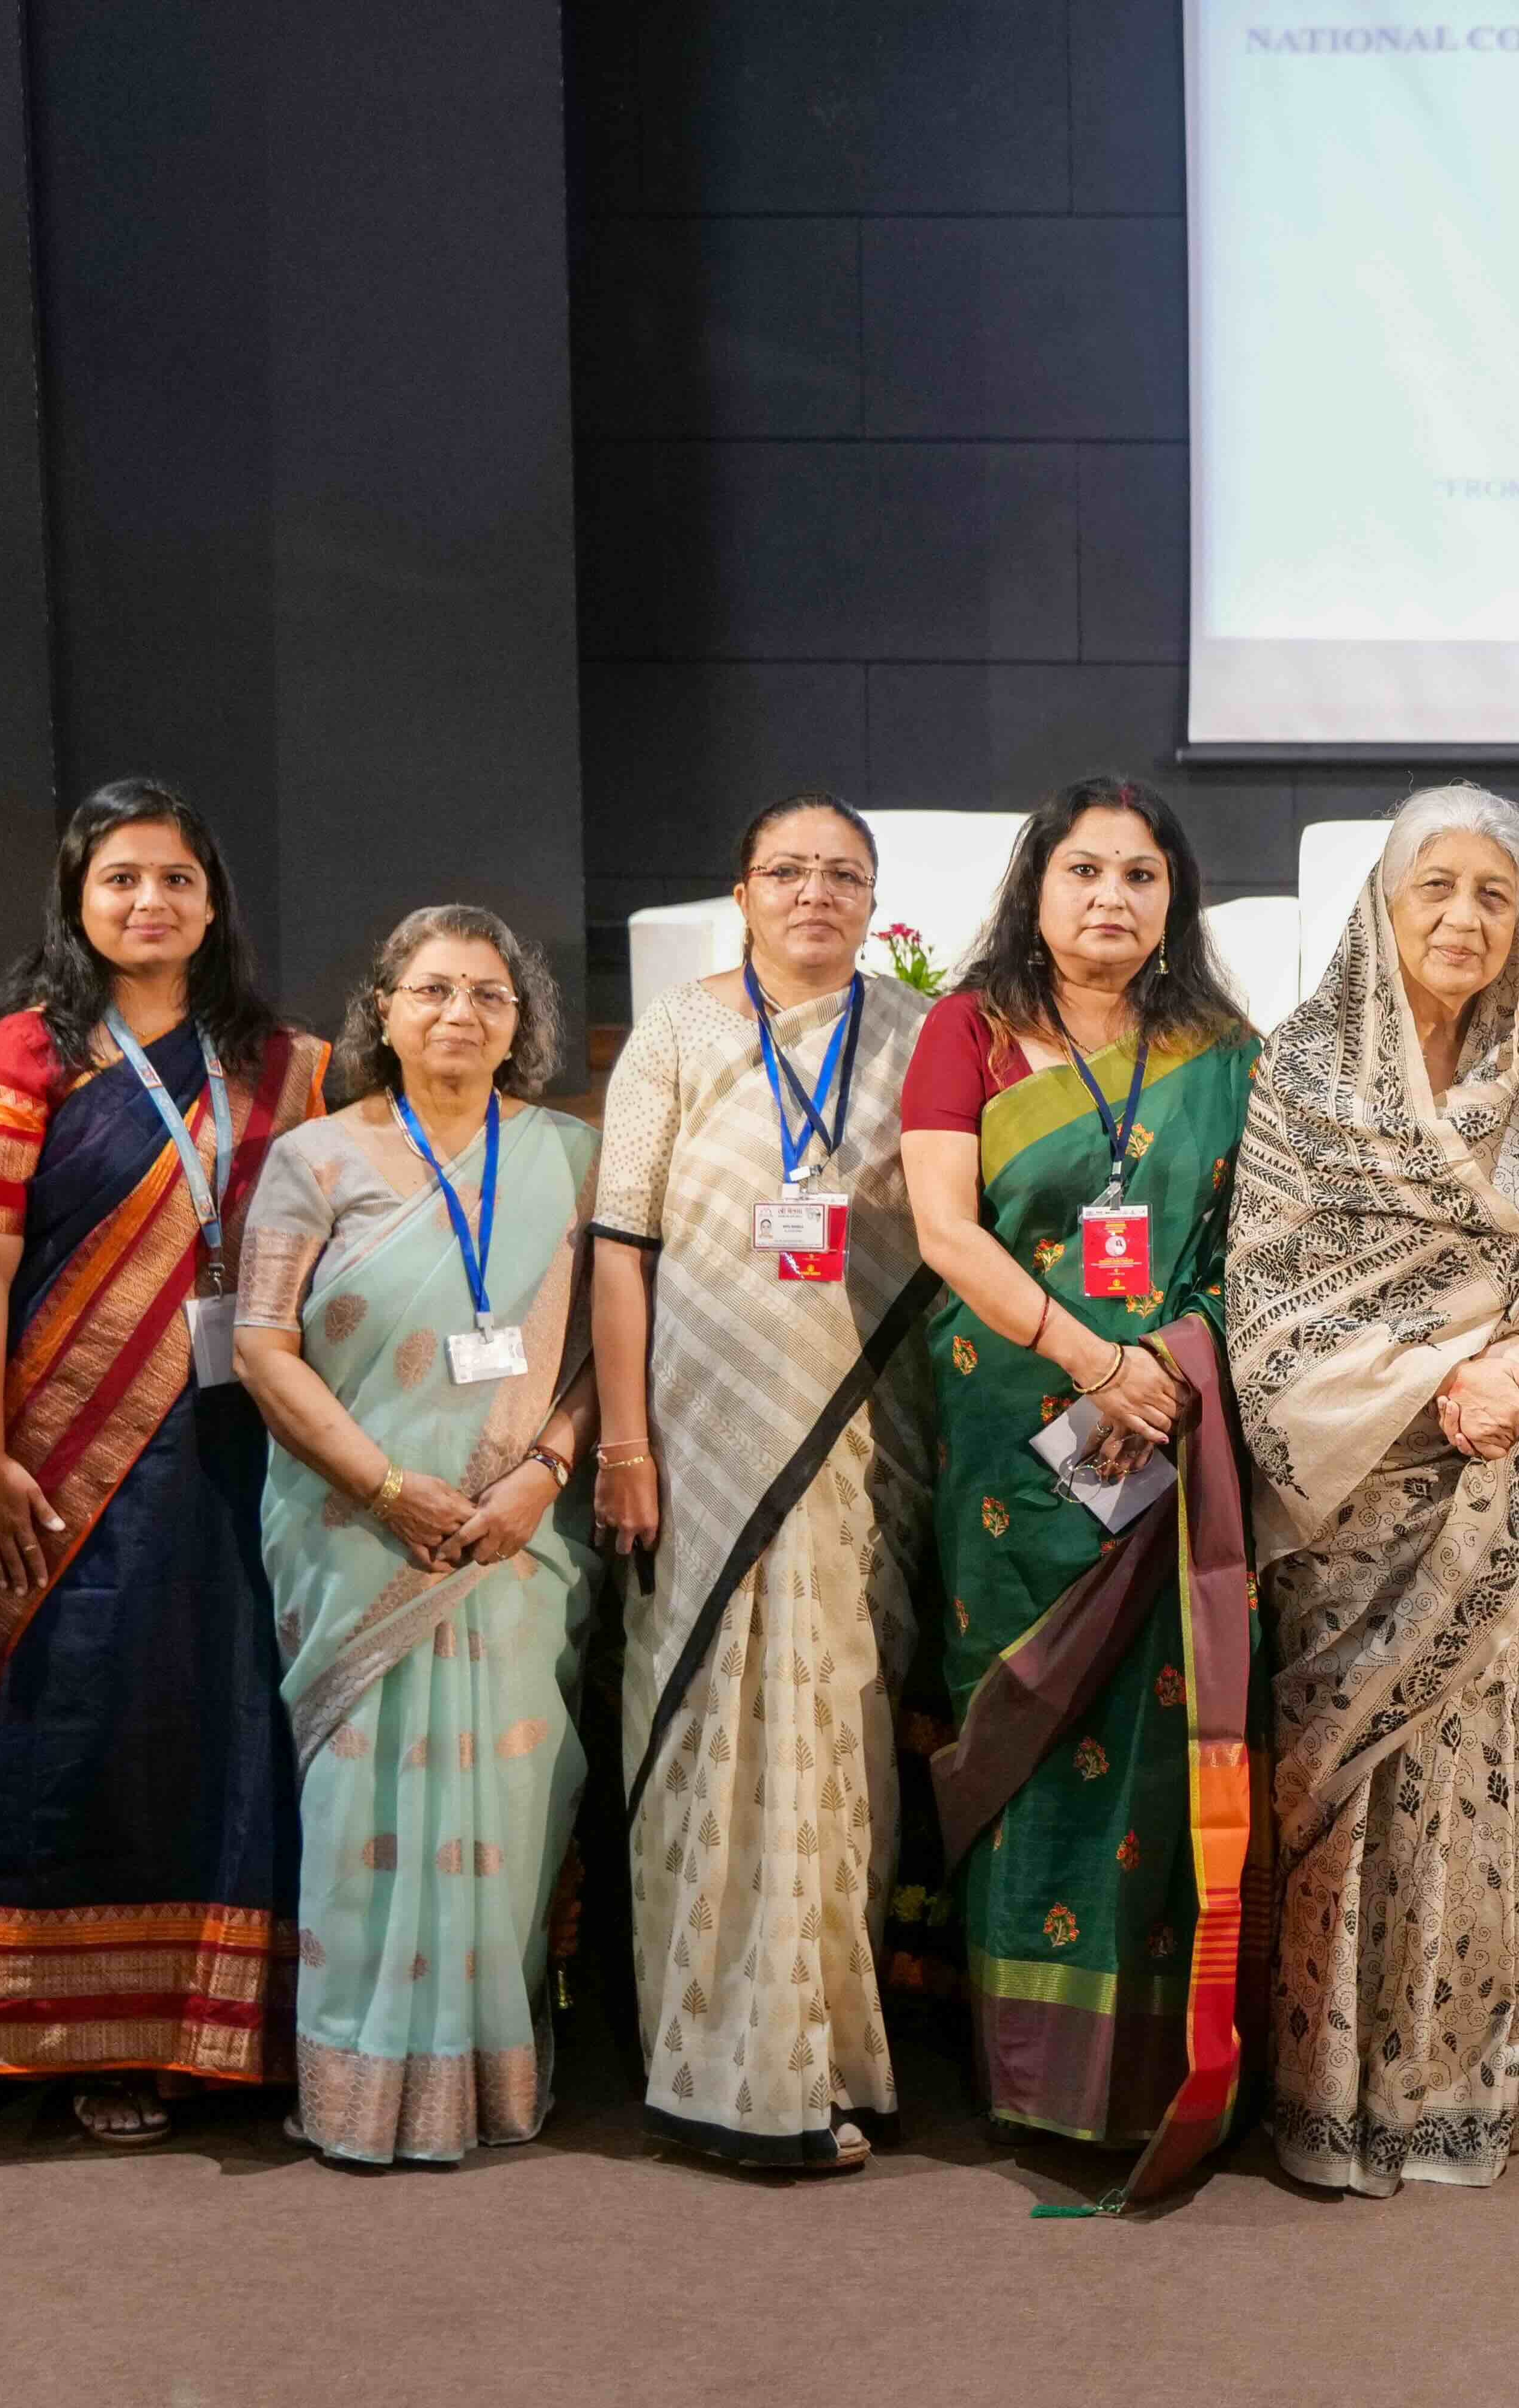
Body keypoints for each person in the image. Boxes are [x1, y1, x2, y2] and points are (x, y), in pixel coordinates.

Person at [1228, 786, 1519, 2194]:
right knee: (1349, 1779)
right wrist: (1436, 1380)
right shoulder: (1301, 1077)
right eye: (1438, 888)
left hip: (1511, 1469)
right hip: (1359, 1496)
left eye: (1495, 895)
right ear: (1384, 904)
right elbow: (1270, 1311)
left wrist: (1506, 1357)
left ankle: (1471, 2082)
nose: (1465, 917)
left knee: (1487, 1776)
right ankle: (1335, 2094)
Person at [0, 781, 328, 2144]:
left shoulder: (286, 1064)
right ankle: (87, 2036)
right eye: (120, 880)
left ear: (213, 902)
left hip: (249, 1448)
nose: (148, 902)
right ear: (77, 898)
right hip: (69, 1457)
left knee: (241, 1713)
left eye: (174, 879)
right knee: (90, 1705)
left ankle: (236, 2029)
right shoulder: (18, 1062)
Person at [897, 774, 1264, 2202]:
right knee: (1027, 1723)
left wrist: (1165, 1366)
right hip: (1014, 1435)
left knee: (1159, 1738)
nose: (1111, 897)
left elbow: (1251, 1247)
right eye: (1084, 871)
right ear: (1035, 887)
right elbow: (944, 1228)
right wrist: (1087, 1358)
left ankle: (1148, 2061)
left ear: (1175, 900)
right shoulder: (967, 1030)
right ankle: (1032, 2072)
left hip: (1170, 1429)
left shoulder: (1222, 1049)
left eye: (1141, 875)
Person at [590, 793, 936, 2174]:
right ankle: (719, 2063)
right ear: (740, 891)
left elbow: (953, 1230)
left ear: (873, 897)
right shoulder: (680, 1030)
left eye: (843, 874)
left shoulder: (919, 1035)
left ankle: (830, 2052)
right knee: (710, 1735)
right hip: (702, 1445)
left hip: (866, 1445)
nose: (814, 892)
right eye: (787, 870)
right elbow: (621, 1244)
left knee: (838, 1731)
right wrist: (625, 1443)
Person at [230, 908, 597, 2164]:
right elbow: (260, 1347)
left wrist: (545, 1473)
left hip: (514, 1538)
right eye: (433, 990)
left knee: (510, 1782)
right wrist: (388, 1486)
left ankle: (490, 2080)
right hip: (355, 1534)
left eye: (489, 994)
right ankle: (359, 2085)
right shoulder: (313, 1161)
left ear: (521, 1020)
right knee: (358, 1805)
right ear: (381, 1010)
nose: (460, 1014)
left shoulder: (572, 1156)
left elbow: (604, 1350)